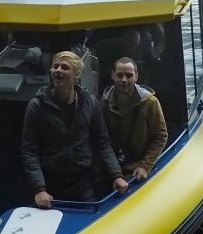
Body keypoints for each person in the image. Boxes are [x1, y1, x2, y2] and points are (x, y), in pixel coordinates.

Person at [21, 50, 127, 208]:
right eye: (55, 66)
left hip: (82, 184)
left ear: (77, 75)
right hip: (50, 186)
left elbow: (102, 143)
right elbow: (29, 150)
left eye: (64, 67)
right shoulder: (37, 106)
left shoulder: (89, 103)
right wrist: (39, 188)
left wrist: (116, 175)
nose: (58, 70)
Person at [100, 57, 168, 182]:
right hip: (114, 165)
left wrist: (145, 166)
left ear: (136, 76)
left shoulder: (150, 103)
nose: (124, 80)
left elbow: (160, 136)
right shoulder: (104, 103)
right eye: (119, 75)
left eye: (129, 75)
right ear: (112, 76)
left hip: (139, 164)